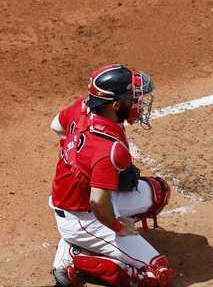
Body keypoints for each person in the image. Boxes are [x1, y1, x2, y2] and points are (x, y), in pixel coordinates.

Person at [49, 64, 172, 287]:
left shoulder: (83, 106)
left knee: (158, 192)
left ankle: (85, 244)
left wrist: (79, 158)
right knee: (156, 275)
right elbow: (97, 202)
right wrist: (117, 226)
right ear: (115, 105)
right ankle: (75, 260)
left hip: (78, 199)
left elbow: (56, 125)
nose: (138, 104)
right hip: (83, 219)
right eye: (132, 100)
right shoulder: (109, 151)